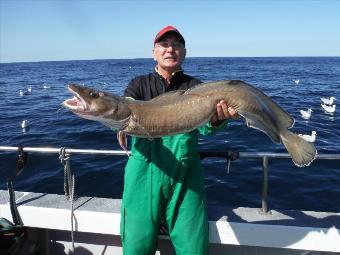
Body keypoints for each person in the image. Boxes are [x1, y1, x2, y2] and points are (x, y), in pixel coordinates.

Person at [120, 25, 238, 255]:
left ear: (184, 52)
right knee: (135, 246)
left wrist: (217, 120)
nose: (170, 49)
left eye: (176, 45)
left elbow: (205, 129)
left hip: (186, 176)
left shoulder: (197, 87)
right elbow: (123, 111)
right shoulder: (138, 85)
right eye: (164, 45)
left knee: (194, 247)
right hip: (143, 175)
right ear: (154, 52)